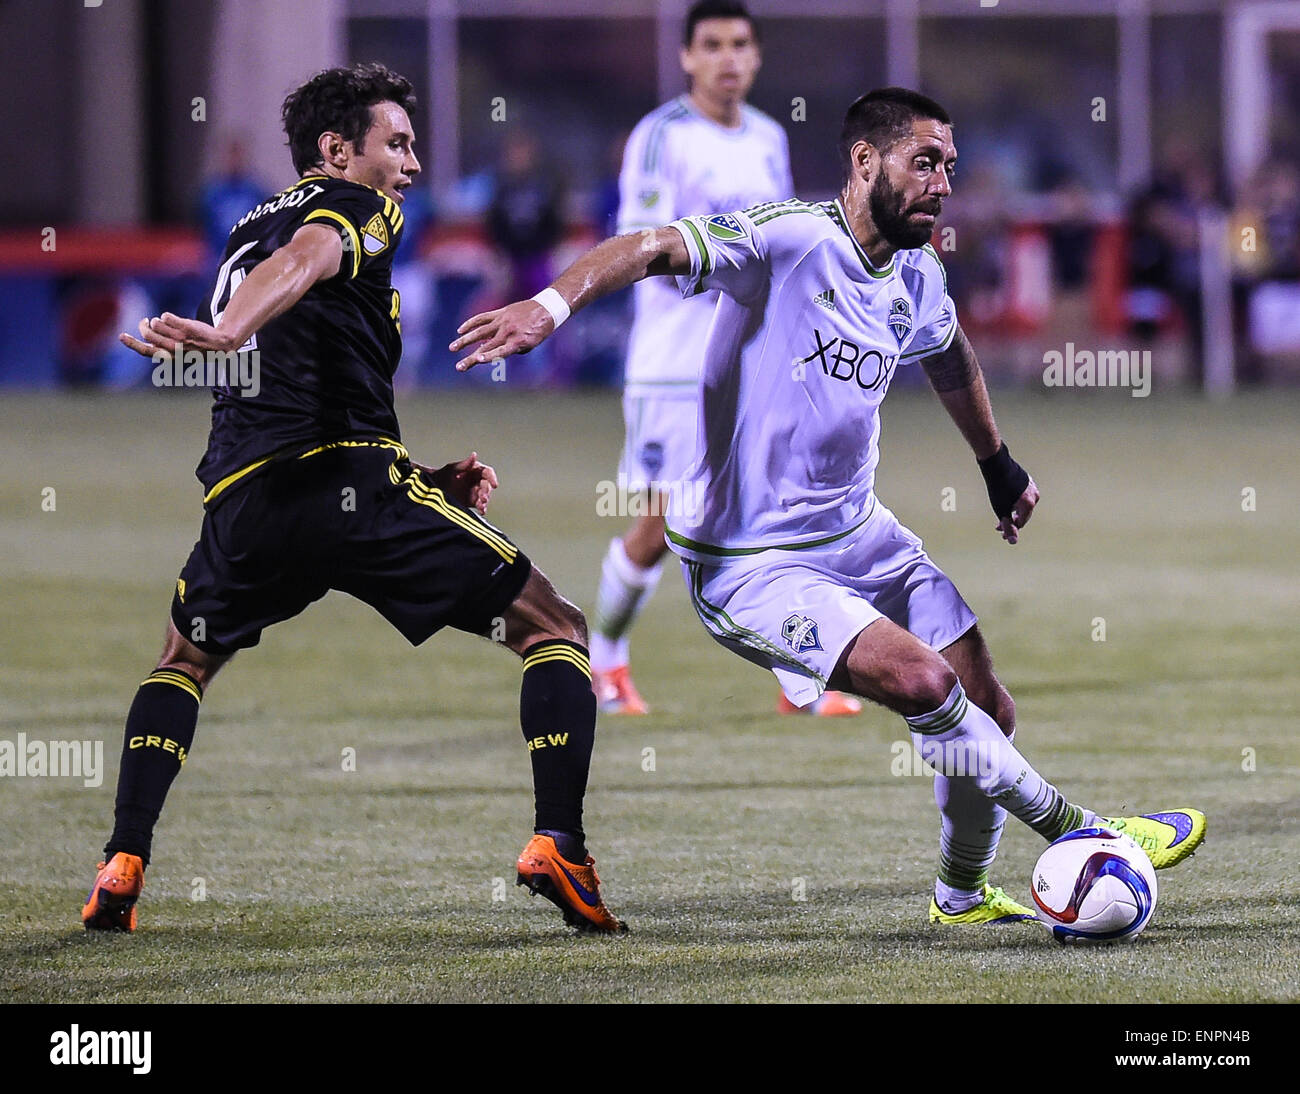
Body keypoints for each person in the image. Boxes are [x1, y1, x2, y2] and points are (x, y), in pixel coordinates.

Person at [451, 87, 1206, 924]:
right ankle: (1091, 831)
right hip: (752, 563)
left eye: (949, 167)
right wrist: (548, 307)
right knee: (924, 682)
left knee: (987, 704)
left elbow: (948, 352)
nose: (942, 183)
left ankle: (959, 896)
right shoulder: (788, 240)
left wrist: (995, 463)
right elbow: (650, 245)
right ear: (864, 160)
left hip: (858, 533)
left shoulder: (917, 271)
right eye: (924, 162)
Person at [82, 63, 625, 936]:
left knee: (182, 661)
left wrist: (423, 481)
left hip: (246, 506)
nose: (412, 164)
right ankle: (560, 842)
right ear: (337, 152)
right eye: (397, 144)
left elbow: (298, 345)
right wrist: (226, 333)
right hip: (344, 486)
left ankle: (122, 862)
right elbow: (309, 259)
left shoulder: (248, 228)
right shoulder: (354, 208)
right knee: (554, 628)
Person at [591, 0, 860, 718]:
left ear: (757, 55)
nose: (727, 58)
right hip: (674, 366)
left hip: (753, 363)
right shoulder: (662, 137)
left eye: (739, 44)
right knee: (666, 525)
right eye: (710, 45)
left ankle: (800, 676)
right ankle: (604, 659)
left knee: (777, 511)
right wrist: (730, 272)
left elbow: (778, 242)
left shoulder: (768, 138)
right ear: (686, 57)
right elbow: (641, 247)